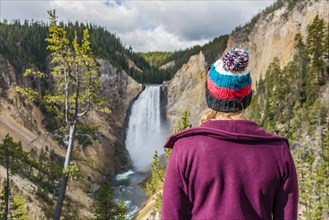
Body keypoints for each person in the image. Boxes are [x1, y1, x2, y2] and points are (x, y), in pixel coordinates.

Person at [161, 48, 298, 220]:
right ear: (248, 98)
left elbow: (171, 216)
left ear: (209, 96)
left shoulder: (184, 149)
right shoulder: (279, 151)